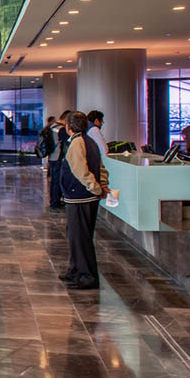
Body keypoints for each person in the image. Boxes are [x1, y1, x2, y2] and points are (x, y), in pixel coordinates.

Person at [59, 111, 108, 290]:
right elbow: (101, 167)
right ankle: (75, 270)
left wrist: (96, 187)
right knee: (77, 236)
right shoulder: (90, 141)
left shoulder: (77, 143)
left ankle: (86, 276)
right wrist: (102, 185)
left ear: (68, 126)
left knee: (80, 238)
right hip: (84, 197)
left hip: (80, 198)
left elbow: (81, 172)